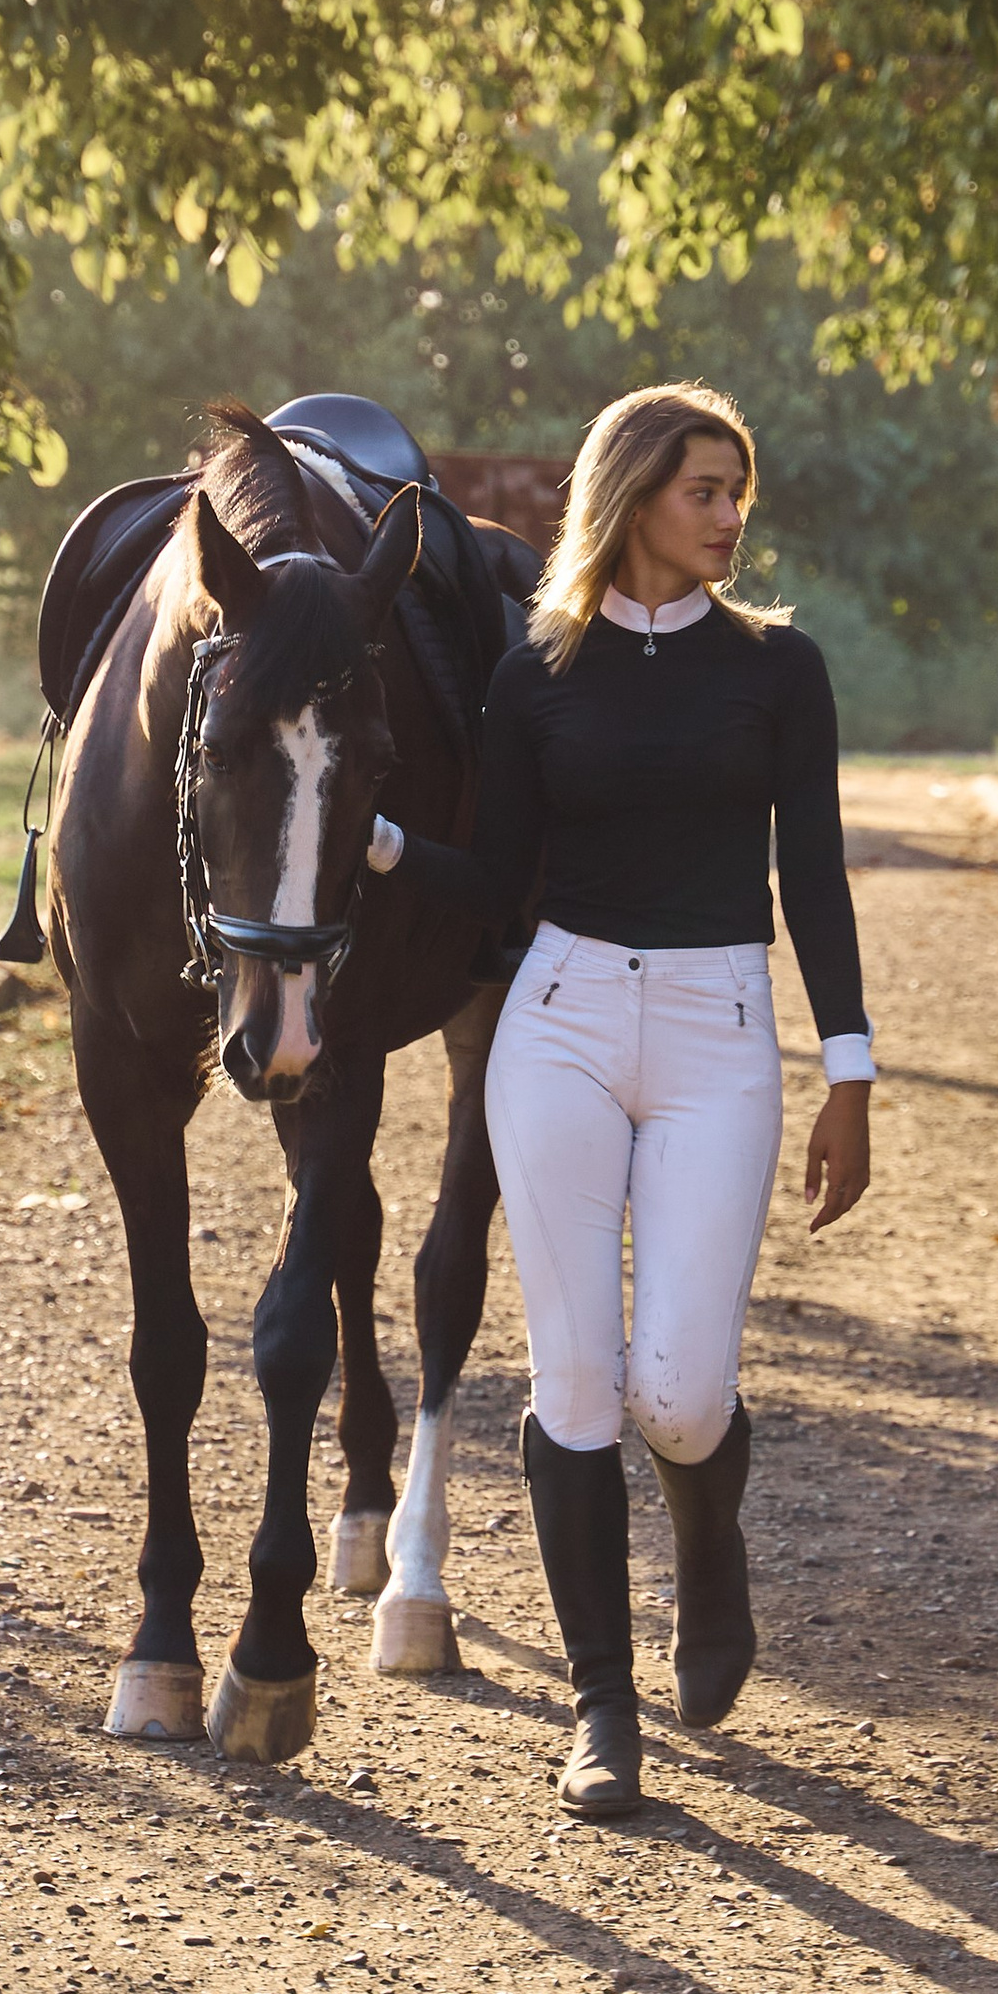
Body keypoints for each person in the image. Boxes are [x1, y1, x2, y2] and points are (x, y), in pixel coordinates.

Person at [368, 381, 872, 1818]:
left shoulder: (780, 671)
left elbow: (814, 878)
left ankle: (709, 1548)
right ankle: (603, 1705)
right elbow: (499, 876)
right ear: (634, 494)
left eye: (737, 495)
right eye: (705, 491)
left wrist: (850, 1073)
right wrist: (384, 844)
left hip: (721, 1028)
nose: (728, 518)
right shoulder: (537, 673)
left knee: (682, 1393)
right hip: (563, 1024)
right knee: (578, 1384)